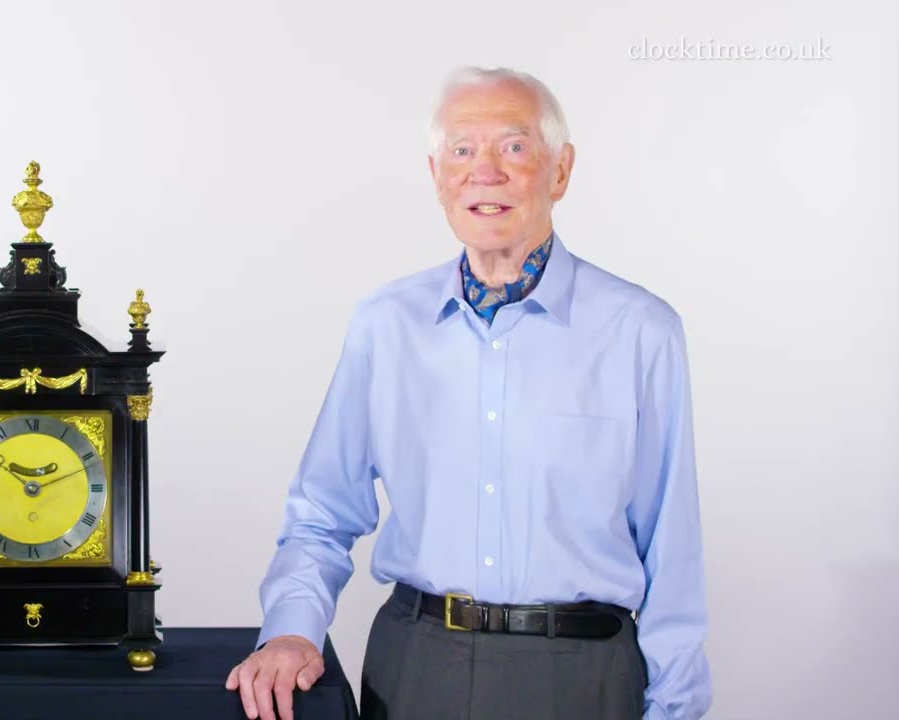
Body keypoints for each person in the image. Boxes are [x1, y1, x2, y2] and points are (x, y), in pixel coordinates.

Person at [224, 66, 712, 720]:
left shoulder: (640, 331)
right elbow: (321, 512)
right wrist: (290, 630)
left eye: (513, 147)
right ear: (436, 176)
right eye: (462, 150)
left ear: (560, 171)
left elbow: (671, 549)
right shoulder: (385, 325)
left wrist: (676, 709)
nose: (485, 172)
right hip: (419, 668)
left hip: (585, 676)